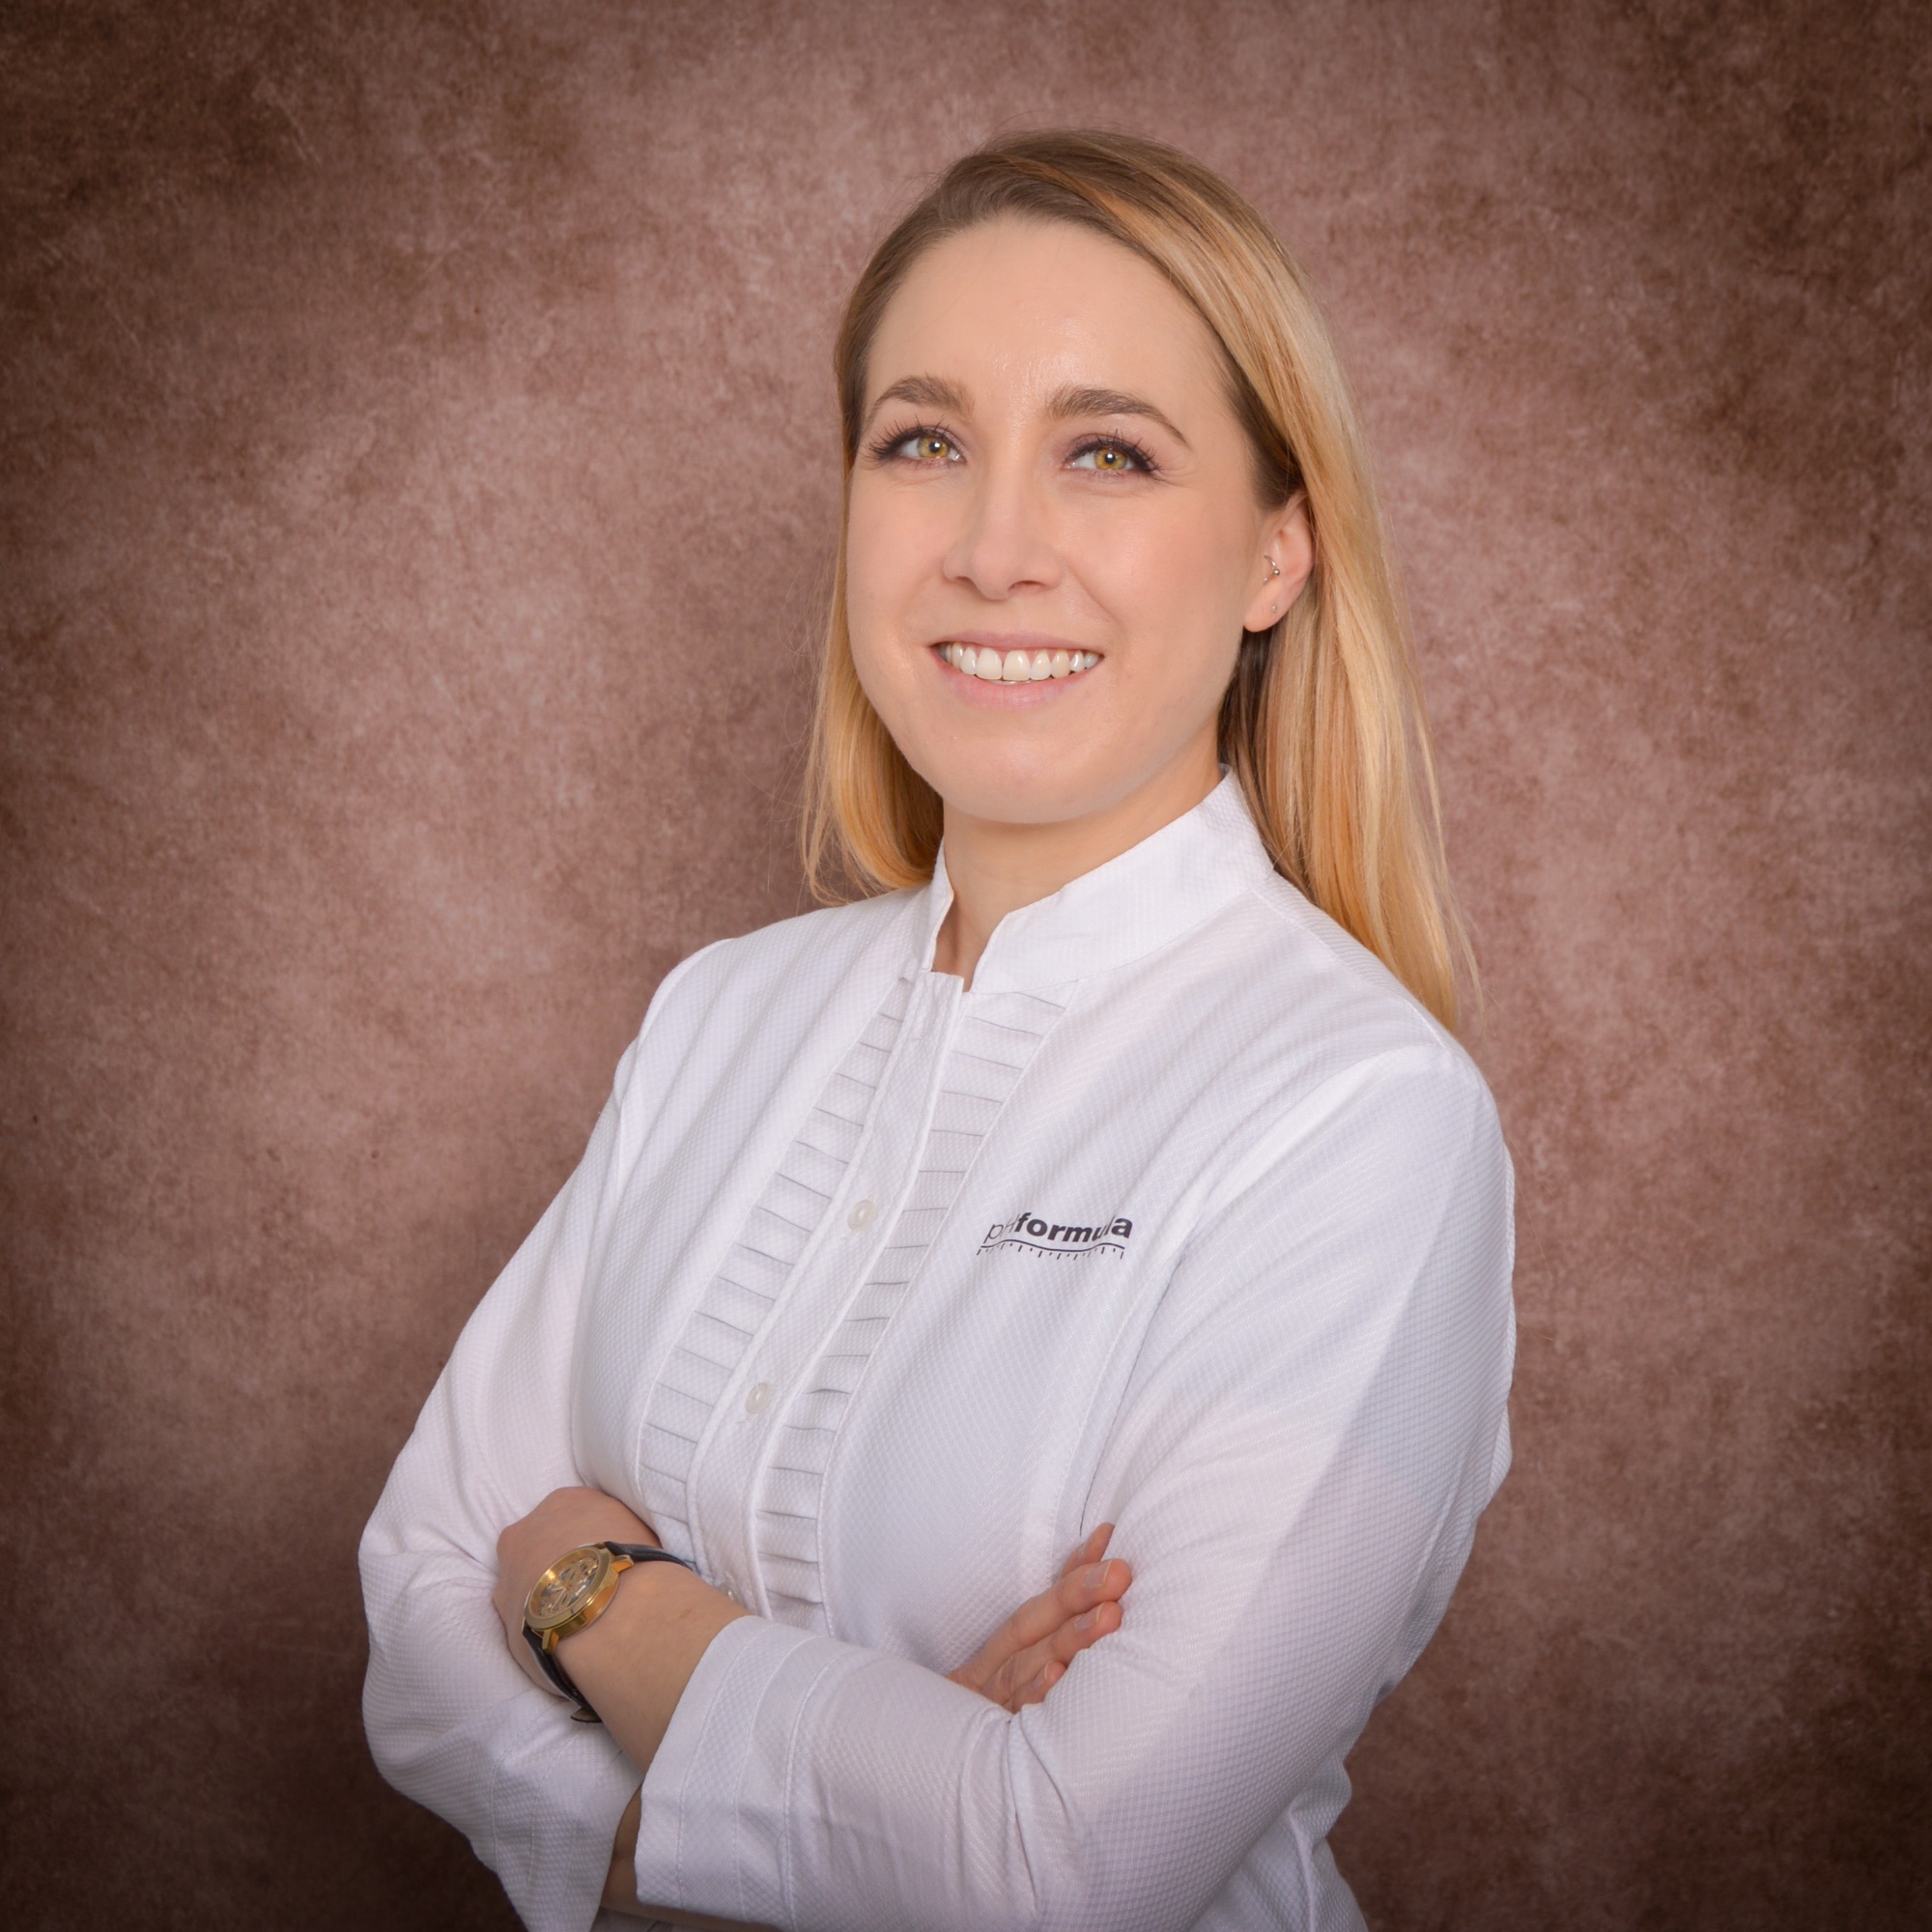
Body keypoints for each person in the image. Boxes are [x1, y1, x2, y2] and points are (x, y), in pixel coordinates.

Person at [360, 128, 1517, 1932]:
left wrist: (593, 1589)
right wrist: (839, 1792)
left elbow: (1057, 1865)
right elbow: (425, 1565)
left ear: (1279, 553)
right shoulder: (718, 1014)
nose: (994, 549)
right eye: (924, 442)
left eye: (1108, 454)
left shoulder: (1363, 1118)